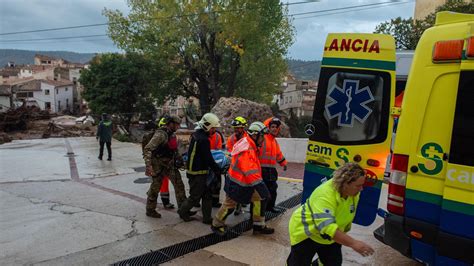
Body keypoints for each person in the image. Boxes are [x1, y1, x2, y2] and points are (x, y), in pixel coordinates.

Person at [287, 163, 375, 266]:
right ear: (345, 183)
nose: (361, 189)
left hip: (328, 237)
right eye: (358, 185)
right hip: (307, 233)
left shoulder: (353, 193)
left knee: (333, 263)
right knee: (298, 263)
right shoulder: (325, 195)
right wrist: (353, 243)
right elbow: (328, 227)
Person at [211, 122, 274, 236]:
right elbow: (250, 172)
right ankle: (217, 225)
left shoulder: (248, 143)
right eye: (262, 136)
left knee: (259, 199)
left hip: (244, 183)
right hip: (237, 183)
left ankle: (258, 226)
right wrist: (262, 187)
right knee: (229, 206)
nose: (263, 139)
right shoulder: (247, 149)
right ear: (255, 136)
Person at [178, 113, 222, 224]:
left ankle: (207, 218)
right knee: (195, 197)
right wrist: (218, 169)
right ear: (207, 126)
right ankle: (183, 212)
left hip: (196, 171)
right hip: (198, 173)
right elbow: (208, 158)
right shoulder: (204, 140)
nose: (214, 130)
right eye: (213, 128)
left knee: (207, 195)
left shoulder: (197, 135)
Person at [143, 115, 187, 218]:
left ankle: (184, 210)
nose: (178, 127)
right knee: (155, 188)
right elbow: (148, 149)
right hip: (158, 165)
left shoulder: (171, 134)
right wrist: (148, 166)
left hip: (170, 164)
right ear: (170, 124)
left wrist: (180, 160)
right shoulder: (160, 134)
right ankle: (150, 210)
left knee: (179, 186)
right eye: (177, 124)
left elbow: (174, 149)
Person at [259, 117, 288, 213]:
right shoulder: (262, 139)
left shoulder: (274, 141)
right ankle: (260, 211)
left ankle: (270, 207)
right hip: (261, 170)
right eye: (272, 126)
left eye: (276, 127)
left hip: (271, 170)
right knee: (262, 192)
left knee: (273, 190)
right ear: (268, 128)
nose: (275, 129)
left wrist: (283, 163)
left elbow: (278, 154)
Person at [226, 116, 249, 215]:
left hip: (245, 168)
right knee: (233, 188)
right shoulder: (231, 139)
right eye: (235, 128)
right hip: (234, 168)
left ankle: (239, 205)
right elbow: (229, 153)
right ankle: (235, 206)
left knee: (243, 188)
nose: (236, 130)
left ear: (243, 128)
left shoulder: (248, 138)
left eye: (238, 128)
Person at [208, 129, 225, 208]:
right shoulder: (203, 136)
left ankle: (215, 201)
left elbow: (219, 150)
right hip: (207, 163)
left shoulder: (218, 136)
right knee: (206, 184)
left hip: (216, 162)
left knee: (217, 183)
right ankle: (202, 201)